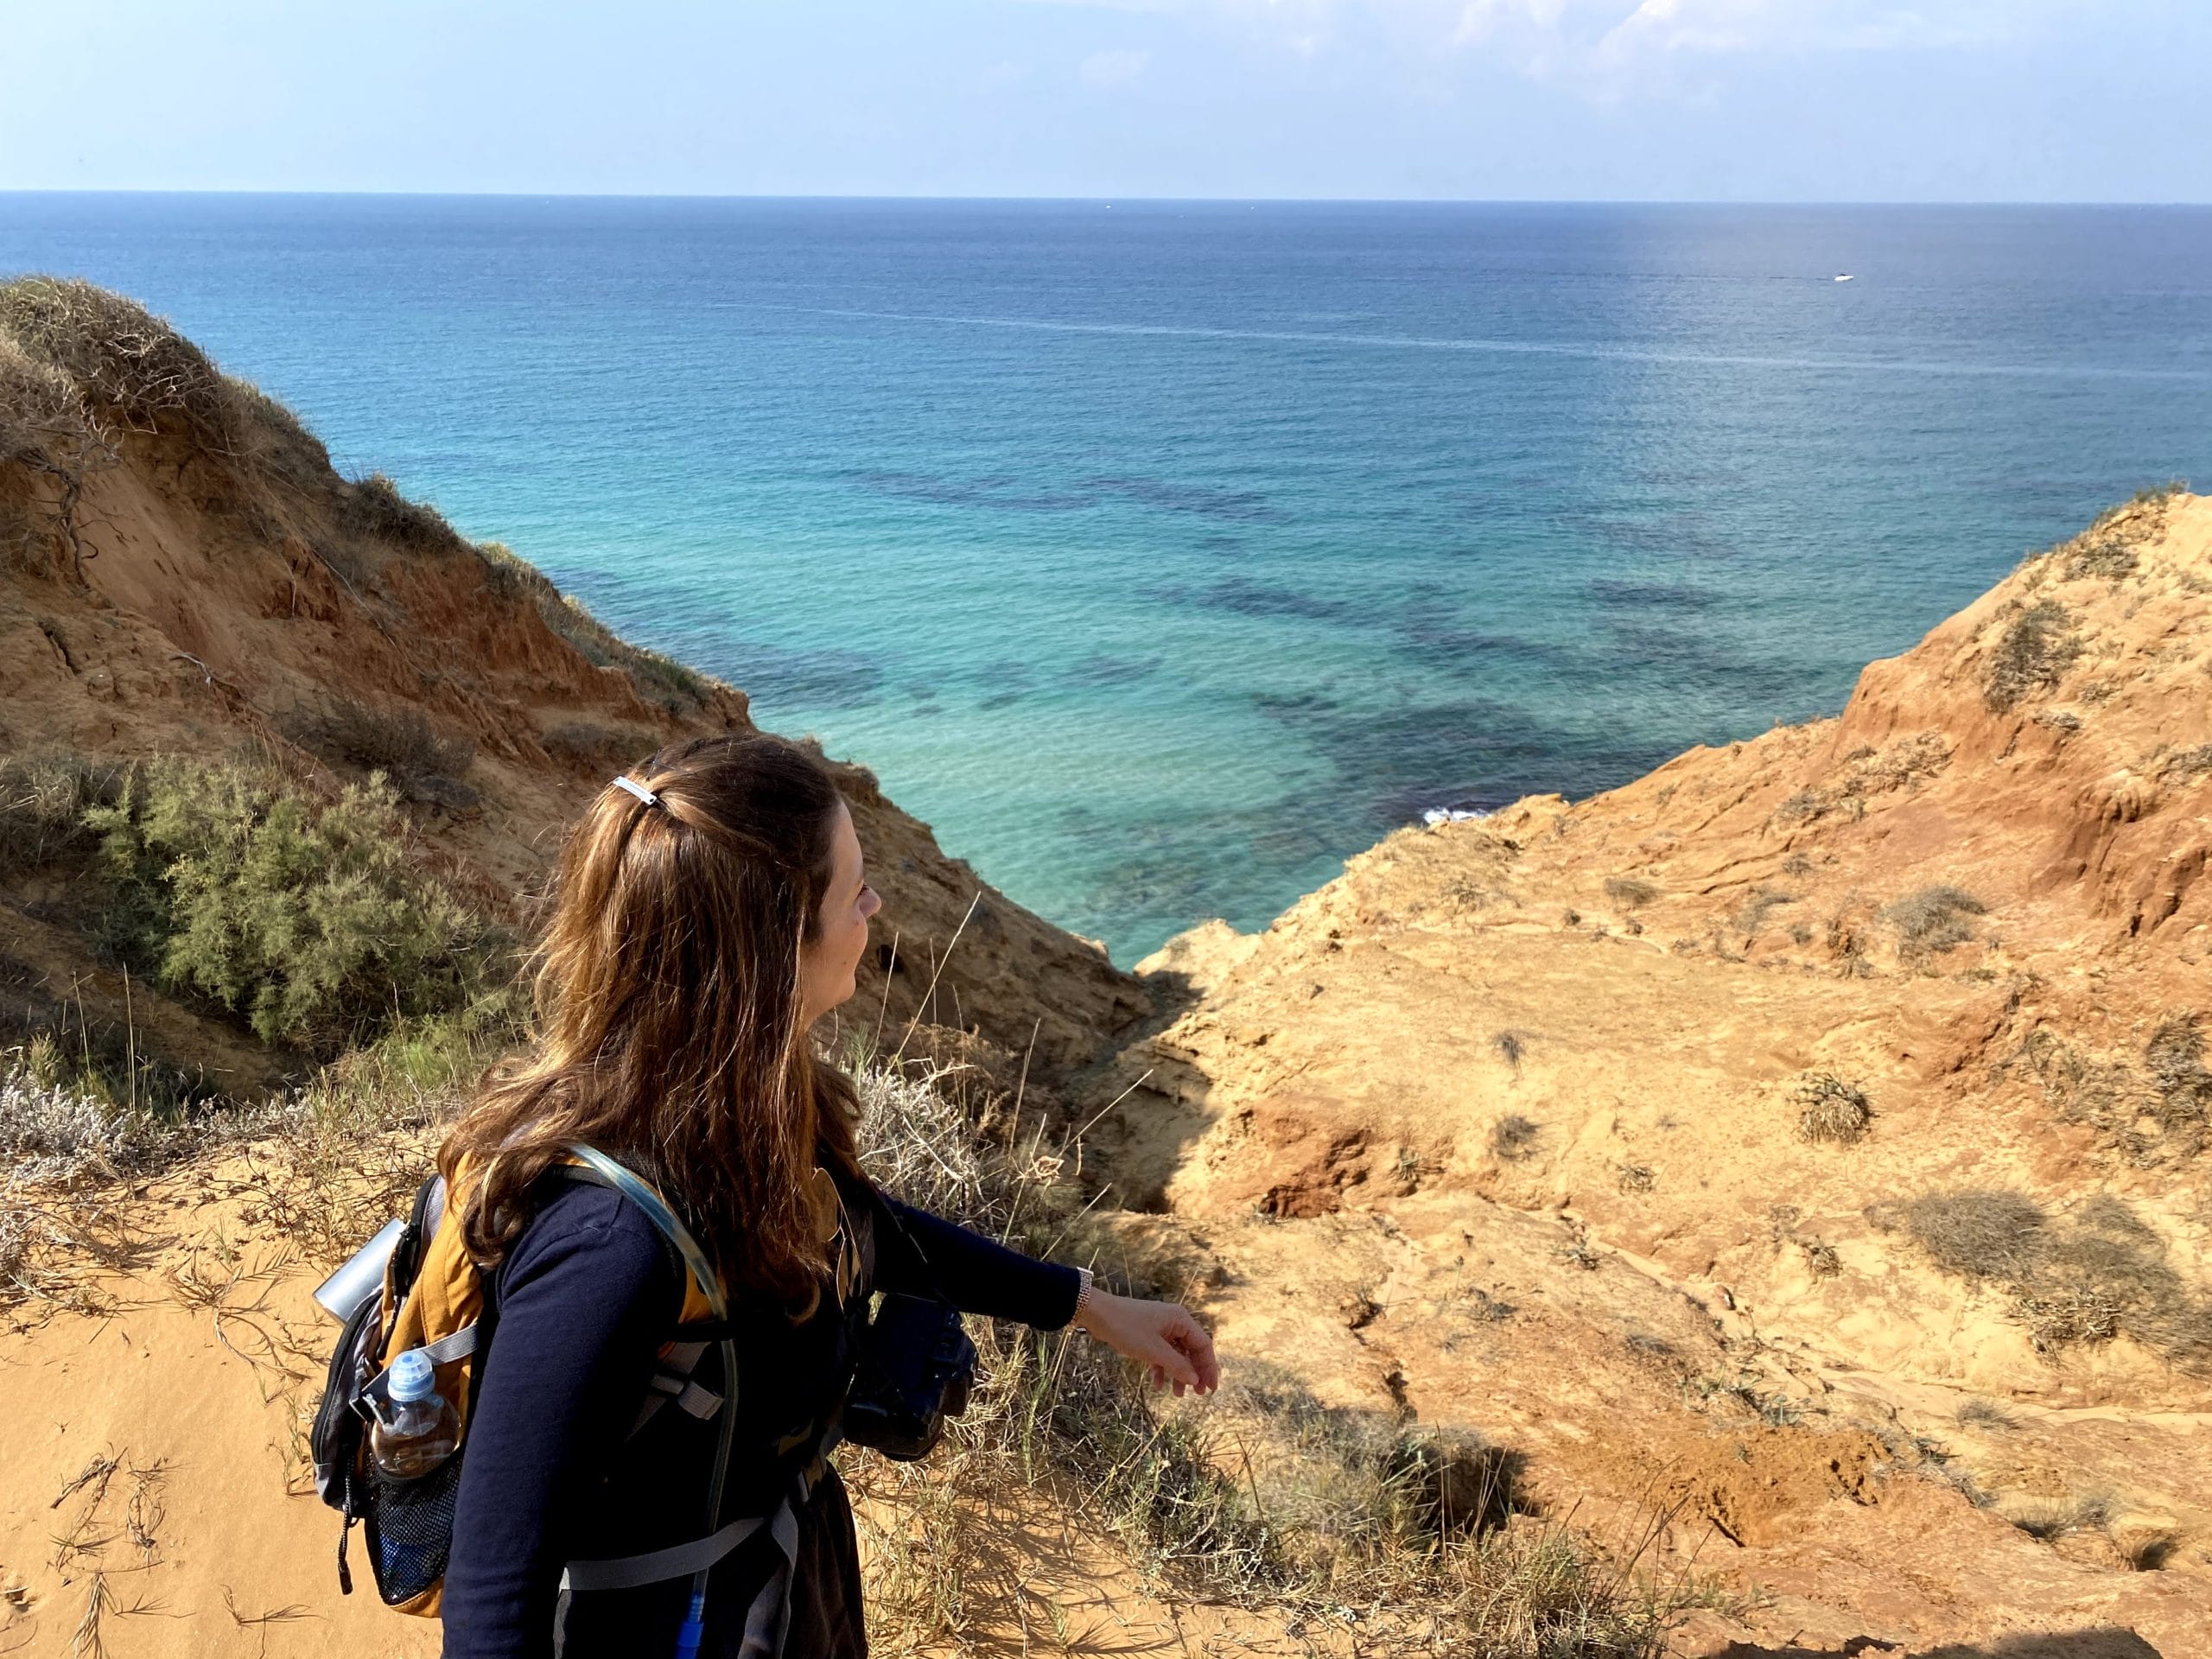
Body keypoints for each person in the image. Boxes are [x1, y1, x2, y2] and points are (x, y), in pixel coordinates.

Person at [435, 732, 1218, 1658]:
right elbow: (491, 1603)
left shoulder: (736, 1110)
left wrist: (1086, 1305)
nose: (875, 906)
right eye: (854, 891)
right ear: (777, 945)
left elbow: (863, 1232)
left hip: (779, 1589)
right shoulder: (606, 1241)